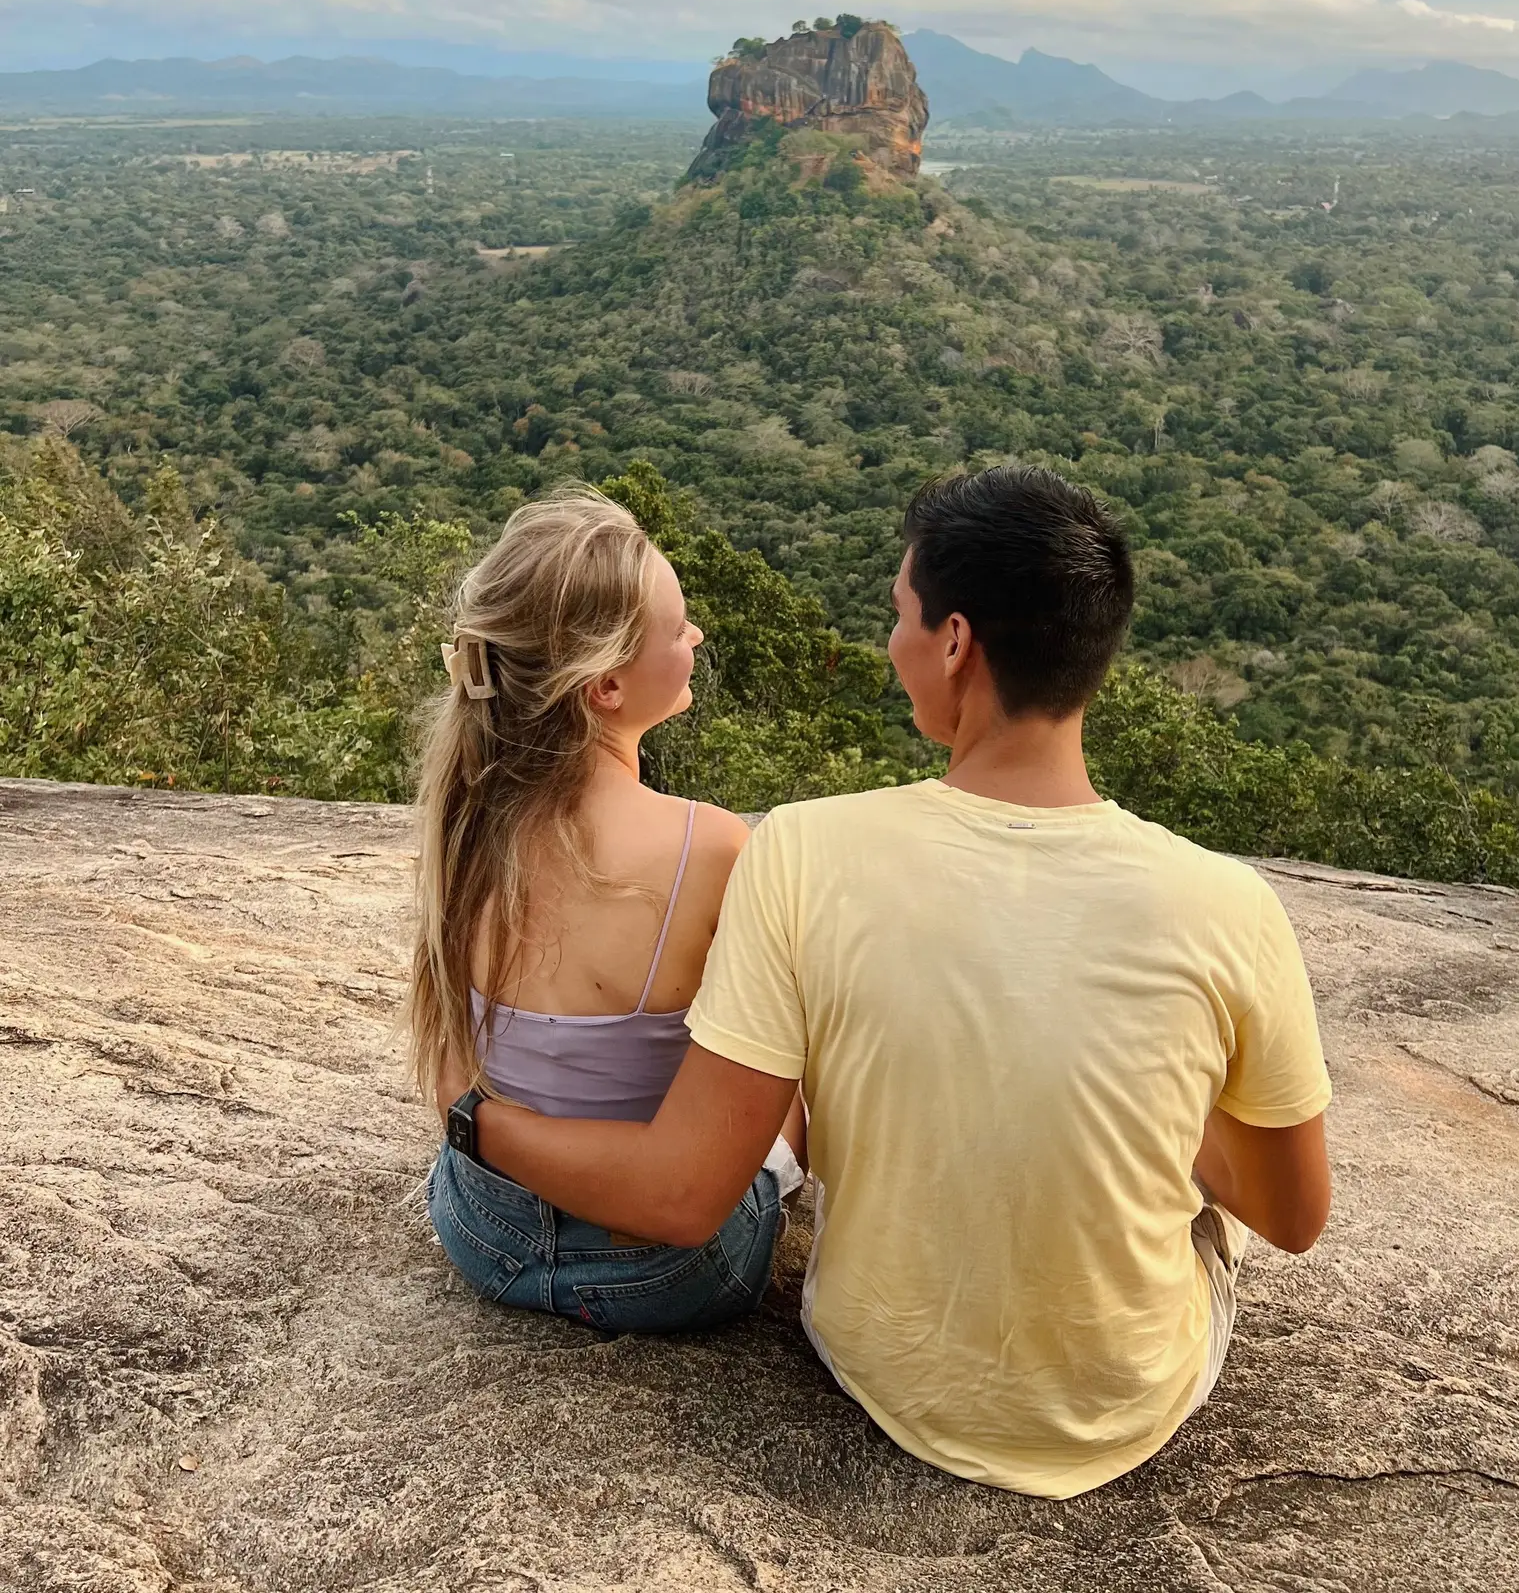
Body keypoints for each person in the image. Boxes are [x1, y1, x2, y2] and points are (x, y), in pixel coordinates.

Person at [439, 466, 1332, 1498]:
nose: (891, 642)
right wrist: (1152, 1106)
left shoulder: (808, 850)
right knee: (1211, 1215)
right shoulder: (1230, 905)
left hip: (870, 1359)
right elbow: (1294, 1217)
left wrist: (479, 1124)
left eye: (900, 615)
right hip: (1125, 1404)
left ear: (953, 644)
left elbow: (724, 1163)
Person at [410, 486, 805, 1333]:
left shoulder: (467, 822)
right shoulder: (712, 846)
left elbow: (453, 1059)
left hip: (482, 1231)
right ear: (606, 688)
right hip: (661, 1270)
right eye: (676, 627)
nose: (695, 637)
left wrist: (477, 1125)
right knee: (801, 1057)